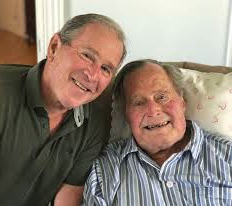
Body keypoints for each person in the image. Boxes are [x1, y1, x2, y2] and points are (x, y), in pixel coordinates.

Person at [0, 13, 126, 206]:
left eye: (105, 69)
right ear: (54, 47)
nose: (93, 75)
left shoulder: (94, 123)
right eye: (87, 55)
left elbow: (68, 198)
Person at [83, 59, 232, 205]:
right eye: (138, 102)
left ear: (182, 102)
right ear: (126, 115)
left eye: (162, 97)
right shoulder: (104, 169)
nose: (153, 110)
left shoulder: (227, 156)